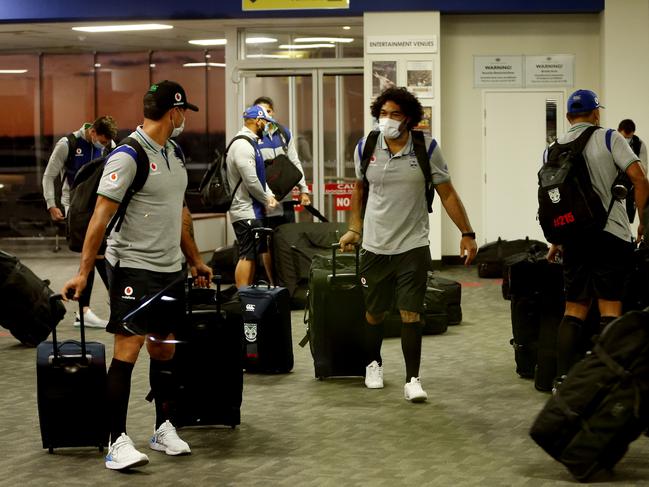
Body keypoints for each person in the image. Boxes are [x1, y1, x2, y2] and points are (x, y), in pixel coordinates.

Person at [61, 80, 212, 470]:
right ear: (174, 112)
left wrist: (194, 260)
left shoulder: (174, 152)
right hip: (132, 267)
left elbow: (178, 212)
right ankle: (116, 441)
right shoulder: (128, 155)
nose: (183, 119)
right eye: (183, 112)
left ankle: (163, 427)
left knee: (164, 347)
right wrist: (82, 275)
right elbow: (99, 218)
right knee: (127, 350)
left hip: (169, 269)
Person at [338, 87, 477, 403]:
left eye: (395, 114)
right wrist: (354, 229)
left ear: (410, 119)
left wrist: (467, 233)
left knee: (410, 313)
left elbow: (448, 193)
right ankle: (373, 363)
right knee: (374, 313)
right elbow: (359, 190)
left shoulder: (426, 148)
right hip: (374, 245)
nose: (387, 119)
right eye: (383, 113)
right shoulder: (367, 145)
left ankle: (413, 379)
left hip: (412, 245)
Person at [547, 90, 649, 383]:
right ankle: (607, 382)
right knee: (610, 306)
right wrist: (643, 222)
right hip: (611, 235)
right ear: (595, 114)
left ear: (568, 117)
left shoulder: (552, 149)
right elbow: (640, 178)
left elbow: (559, 202)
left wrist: (557, 240)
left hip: (574, 238)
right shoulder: (609, 138)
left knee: (574, 308)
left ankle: (563, 380)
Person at [42, 116, 118, 328]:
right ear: (93, 132)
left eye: (106, 143)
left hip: (99, 207)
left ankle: (87, 311)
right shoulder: (68, 145)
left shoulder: (110, 145)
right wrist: (51, 203)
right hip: (76, 208)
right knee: (95, 254)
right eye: (101, 141)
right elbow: (49, 176)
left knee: (96, 254)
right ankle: (96, 309)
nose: (104, 146)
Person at [252, 96, 311, 284]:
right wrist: (266, 195)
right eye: (260, 112)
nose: (264, 115)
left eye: (268, 111)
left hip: (284, 199)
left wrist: (304, 189)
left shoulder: (283, 134)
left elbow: (294, 162)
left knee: (285, 240)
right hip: (263, 202)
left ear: (273, 112)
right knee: (266, 243)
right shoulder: (251, 137)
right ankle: (272, 284)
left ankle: (288, 283)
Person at [227, 104, 278, 287]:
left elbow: (259, 176)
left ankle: (247, 294)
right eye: (265, 121)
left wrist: (269, 195)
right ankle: (243, 297)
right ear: (258, 121)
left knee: (252, 255)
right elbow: (251, 181)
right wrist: (266, 198)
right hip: (245, 210)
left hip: (252, 210)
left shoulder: (251, 143)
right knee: (247, 255)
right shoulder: (242, 145)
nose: (267, 125)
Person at [617, 119, 648, 222]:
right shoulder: (612, 142)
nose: (626, 140)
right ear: (618, 131)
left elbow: (643, 171)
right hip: (613, 184)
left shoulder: (639, 145)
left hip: (631, 186)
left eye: (628, 138)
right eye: (623, 137)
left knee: (629, 218)